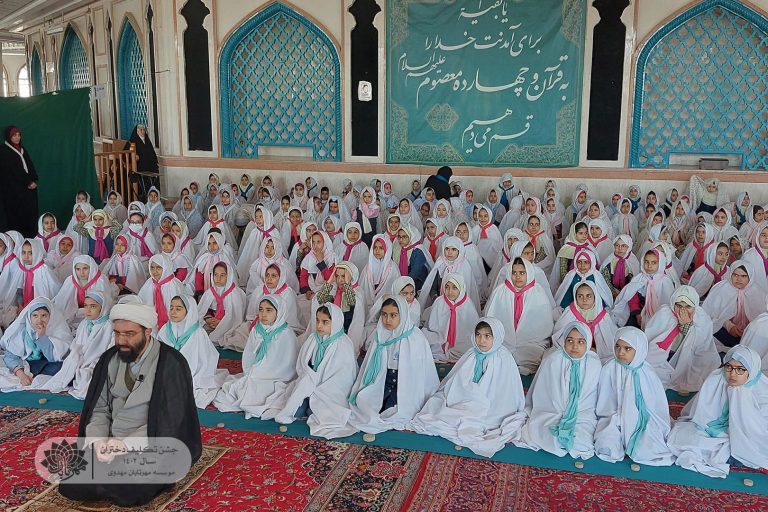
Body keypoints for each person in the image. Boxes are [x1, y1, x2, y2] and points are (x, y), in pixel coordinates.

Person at [58, 297, 201, 507]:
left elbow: (171, 422)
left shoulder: (171, 364)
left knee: (128, 493)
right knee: (71, 484)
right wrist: (99, 442)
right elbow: (99, 408)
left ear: (147, 332)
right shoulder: (109, 359)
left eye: (129, 334)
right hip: (110, 442)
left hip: (150, 444)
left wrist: (125, 445)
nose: (121, 340)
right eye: (117, 333)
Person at [410, 318, 527, 457]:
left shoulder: (503, 358)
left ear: (496, 337)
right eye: (478, 335)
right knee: (440, 405)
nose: (481, 340)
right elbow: (458, 380)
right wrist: (467, 393)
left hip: (494, 402)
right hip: (468, 395)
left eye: (487, 336)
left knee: (483, 418)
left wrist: (477, 396)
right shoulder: (472, 353)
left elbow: (503, 390)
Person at [667, 345, 768, 478]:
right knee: (682, 437)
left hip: (747, 435)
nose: (732, 374)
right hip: (715, 429)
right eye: (729, 367)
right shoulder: (717, 378)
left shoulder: (762, 391)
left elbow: (759, 429)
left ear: (751, 371)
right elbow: (702, 414)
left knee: (744, 449)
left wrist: (740, 397)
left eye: (740, 369)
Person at [264, 304, 358, 439]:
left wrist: (316, 385)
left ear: (336, 322)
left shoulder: (343, 343)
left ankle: (313, 403)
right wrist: (309, 379)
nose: (319, 325)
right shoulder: (313, 338)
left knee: (322, 412)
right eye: (317, 320)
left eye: (325, 322)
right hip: (310, 383)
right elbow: (302, 364)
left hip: (330, 389)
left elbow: (342, 377)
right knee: (295, 406)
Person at [348, 296, 439, 434]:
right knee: (365, 406)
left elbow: (419, 376)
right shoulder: (380, 335)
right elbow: (370, 366)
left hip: (406, 387)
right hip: (382, 383)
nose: (388, 320)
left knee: (398, 412)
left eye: (393, 315)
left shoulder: (415, 338)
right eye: (384, 315)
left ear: (402, 314)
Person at [518, 322, 601, 459]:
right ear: (564, 342)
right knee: (549, 438)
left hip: (582, 415)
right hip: (552, 412)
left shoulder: (594, 364)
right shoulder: (553, 360)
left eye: (581, 342)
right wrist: (562, 411)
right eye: (570, 341)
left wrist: (573, 413)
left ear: (588, 344)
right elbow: (543, 394)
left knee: (582, 444)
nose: (575, 346)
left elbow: (592, 398)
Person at [594, 327, 674, 466]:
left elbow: (655, 406)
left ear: (639, 349)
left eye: (627, 348)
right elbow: (605, 401)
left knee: (648, 447)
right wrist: (618, 416)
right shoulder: (610, 368)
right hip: (613, 417)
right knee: (607, 445)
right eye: (617, 347)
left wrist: (632, 417)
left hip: (642, 418)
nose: (621, 352)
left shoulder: (647, 372)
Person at [214, 295, 299, 418]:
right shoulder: (257, 330)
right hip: (257, 371)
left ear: (279, 312)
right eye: (261, 310)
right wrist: (252, 371)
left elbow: (287, 364)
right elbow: (249, 354)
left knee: (265, 391)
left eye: (269, 310)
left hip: (277, 376)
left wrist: (264, 373)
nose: (263, 314)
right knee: (240, 388)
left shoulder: (286, 334)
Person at [484, 257, 554, 375]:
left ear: (529, 273)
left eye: (522, 273)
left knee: (536, 356)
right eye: (514, 273)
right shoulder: (500, 291)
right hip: (504, 341)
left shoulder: (538, 292)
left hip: (530, 342)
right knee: (493, 355)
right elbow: (491, 318)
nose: (517, 277)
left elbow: (543, 326)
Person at [37, 291, 114, 398]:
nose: (88, 310)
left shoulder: (109, 326)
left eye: (93, 306)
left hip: (96, 364)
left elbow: (108, 352)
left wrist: (90, 363)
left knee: (90, 376)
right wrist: (75, 357)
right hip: (77, 362)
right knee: (59, 368)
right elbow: (76, 345)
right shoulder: (84, 323)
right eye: (85, 306)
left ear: (103, 307)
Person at [644, 285, 720, 392]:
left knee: (699, 370)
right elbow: (652, 335)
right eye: (679, 305)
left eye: (688, 306)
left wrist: (687, 325)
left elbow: (701, 344)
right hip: (667, 353)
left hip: (689, 356)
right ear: (673, 303)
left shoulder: (701, 317)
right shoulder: (664, 313)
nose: (682, 310)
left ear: (695, 306)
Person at [158, 294, 225, 408]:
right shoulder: (165, 329)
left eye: (178, 309)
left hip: (191, 371)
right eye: (171, 308)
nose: (173, 312)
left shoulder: (197, 333)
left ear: (188, 311)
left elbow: (201, 360)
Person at [0, 297, 72, 390]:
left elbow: (54, 358)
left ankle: (38, 377)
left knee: (68, 369)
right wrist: (21, 375)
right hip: (27, 364)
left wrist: (42, 337)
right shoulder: (21, 332)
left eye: (44, 315)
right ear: (29, 317)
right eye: (35, 316)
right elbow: (11, 356)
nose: (39, 320)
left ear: (50, 316)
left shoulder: (57, 330)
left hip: (48, 364)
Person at [421, 273, 479, 362]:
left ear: (461, 288)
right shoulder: (439, 302)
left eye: (454, 288)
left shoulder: (468, 304)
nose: (450, 291)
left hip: (461, 341)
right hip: (440, 338)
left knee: (470, 348)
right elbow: (432, 325)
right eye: (447, 287)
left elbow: (472, 330)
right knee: (428, 343)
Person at [0, 126, 39, 236]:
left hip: (26, 188)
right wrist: (28, 182)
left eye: (19, 135)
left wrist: (33, 179)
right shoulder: (3, 150)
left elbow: (29, 165)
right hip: (13, 190)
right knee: (15, 215)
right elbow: (14, 169)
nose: (17, 137)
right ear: (9, 137)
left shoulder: (22, 149)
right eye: (14, 135)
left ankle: (30, 236)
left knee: (29, 212)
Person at [124, 124, 159, 200]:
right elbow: (126, 154)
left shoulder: (147, 140)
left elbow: (152, 154)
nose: (143, 131)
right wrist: (133, 157)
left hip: (150, 169)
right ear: (137, 131)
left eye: (144, 130)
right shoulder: (132, 141)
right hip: (139, 169)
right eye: (141, 130)